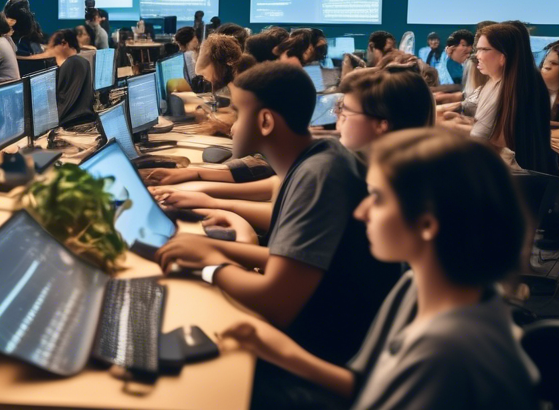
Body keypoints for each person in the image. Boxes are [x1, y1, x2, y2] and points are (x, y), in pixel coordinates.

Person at [222, 129, 539, 410]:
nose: (360, 212)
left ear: (427, 223)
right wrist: (276, 349)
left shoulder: (447, 350)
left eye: (376, 198)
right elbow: (367, 385)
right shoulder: (420, 284)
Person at [156, 62, 398, 367]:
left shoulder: (318, 176)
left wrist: (211, 264)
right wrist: (212, 246)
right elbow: (289, 260)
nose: (231, 127)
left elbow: (276, 303)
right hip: (318, 338)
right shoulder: (319, 157)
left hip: (321, 356)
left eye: (237, 114)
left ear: (266, 121)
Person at [444, 22, 555, 173]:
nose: (476, 55)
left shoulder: (509, 88)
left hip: (509, 176)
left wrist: (448, 126)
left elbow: (480, 139)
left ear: (503, 57)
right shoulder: (498, 82)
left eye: (483, 50)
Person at [46, 29, 96, 127]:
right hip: (81, 120)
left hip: (68, 123)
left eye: (54, 46)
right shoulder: (82, 61)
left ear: (64, 43)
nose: (51, 50)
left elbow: (62, 99)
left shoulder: (71, 64)